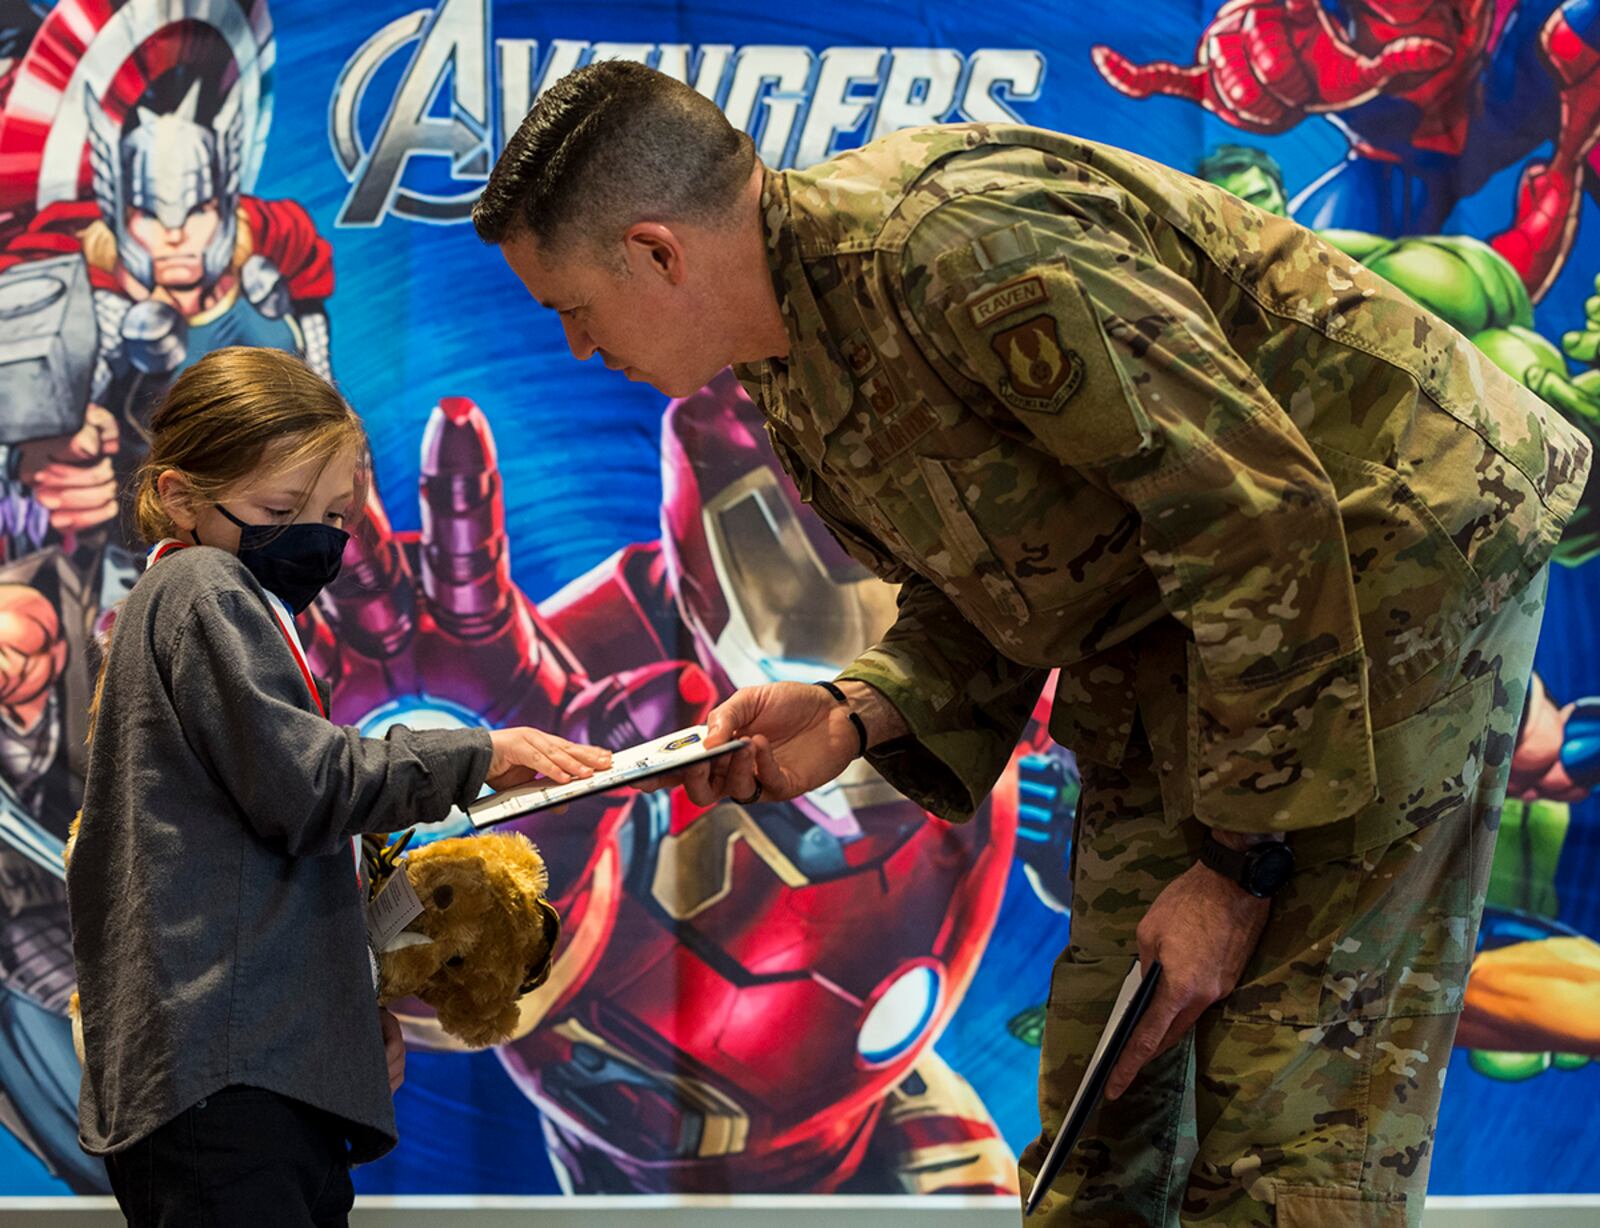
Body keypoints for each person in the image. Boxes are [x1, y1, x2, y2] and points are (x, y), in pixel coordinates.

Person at [471, 62, 1593, 1225]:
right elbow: (1009, 576)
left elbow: (1254, 514)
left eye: (570, 308)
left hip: (1385, 560)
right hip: (1190, 605)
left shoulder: (964, 247)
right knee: (1107, 1094)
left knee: (1283, 1115)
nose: (574, 349)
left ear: (658, 253)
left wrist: (1238, 865)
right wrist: (857, 710)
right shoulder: (785, 361)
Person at [64, 346, 611, 1227]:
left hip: (255, 1070)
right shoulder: (205, 586)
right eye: (282, 511)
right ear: (179, 495)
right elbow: (308, 785)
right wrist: (476, 753)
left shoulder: (201, 604)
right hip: (225, 1081)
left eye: (334, 516)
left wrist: (340, 1019)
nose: (315, 537)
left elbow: (273, 841)